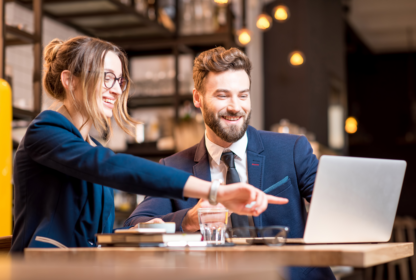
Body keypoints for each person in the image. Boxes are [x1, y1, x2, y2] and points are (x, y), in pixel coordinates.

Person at [11, 37, 287, 253]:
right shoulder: (44, 131)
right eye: (106, 77)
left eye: (119, 80)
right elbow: (113, 167)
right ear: (69, 80)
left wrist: (131, 234)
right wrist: (216, 192)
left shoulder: (89, 145)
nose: (117, 90)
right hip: (40, 270)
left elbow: (89, 236)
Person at [124, 47, 335, 280]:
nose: (236, 107)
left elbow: (335, 206)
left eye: (243, 95)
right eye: (223, 96)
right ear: (198, 98)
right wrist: (188, 219)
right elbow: (134, 226)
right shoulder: (172, 167)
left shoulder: (292, 149)